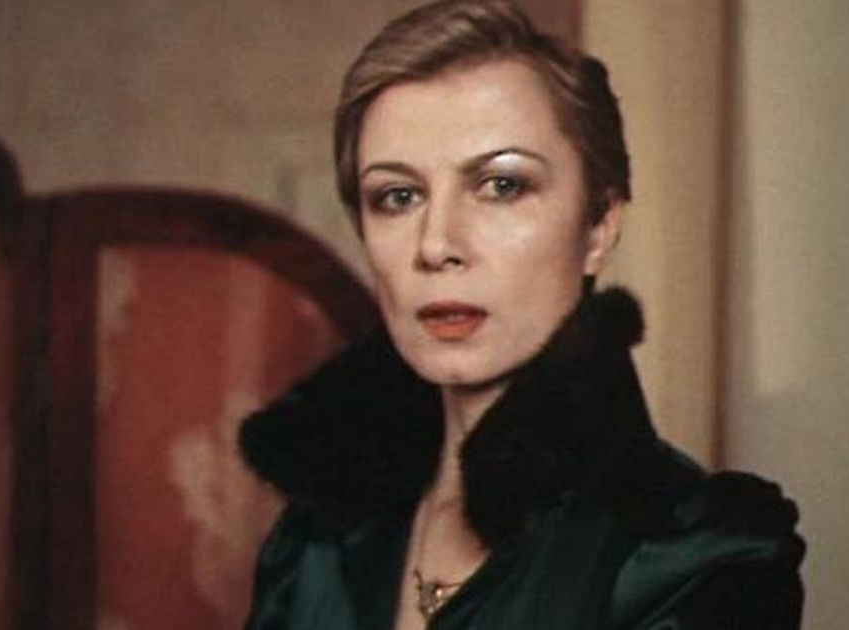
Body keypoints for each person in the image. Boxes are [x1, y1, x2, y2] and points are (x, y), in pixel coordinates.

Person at [238, 1, 804, 628]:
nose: (436, 244)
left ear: (598, 226)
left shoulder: (694, 561)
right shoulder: (312, 543)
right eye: (398, 196)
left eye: (502, 186)